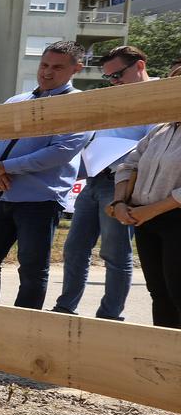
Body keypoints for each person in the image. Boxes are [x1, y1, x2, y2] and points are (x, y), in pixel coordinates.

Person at [0, 41, 91, 309]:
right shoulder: (17, 100)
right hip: (0, 197)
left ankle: (25, 326)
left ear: (77, 69)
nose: (47, 72)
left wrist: (4, 167)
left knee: (32, 270)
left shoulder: (78, 104)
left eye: (57, 67)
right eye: (44, 64)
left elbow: (60, 152)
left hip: (40, 200)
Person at [51, 46, 155, 320]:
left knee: (115, 253)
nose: (114, 82)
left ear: (140, 66)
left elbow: (152, 147)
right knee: (74, 249)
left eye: (118, 75)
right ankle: (65, 307)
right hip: (95, 180)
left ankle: (109, 316)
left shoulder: (156, 97)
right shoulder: (114, 98)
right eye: (109, 77)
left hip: (122, 184)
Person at [110, 109, 181, 328]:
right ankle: (163, 347)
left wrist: (152, 210)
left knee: (178, 291)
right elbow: (128, 165)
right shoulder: (160, 130)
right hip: (145, 220)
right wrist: (119, 202)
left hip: (174, 219)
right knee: (159, 292)